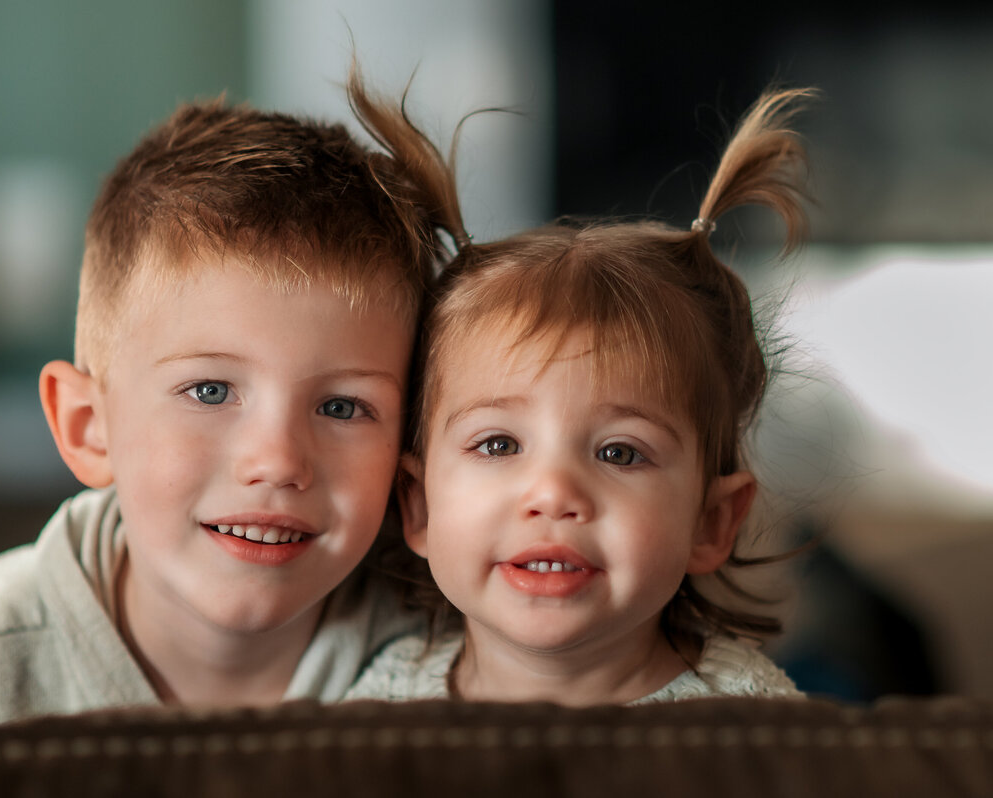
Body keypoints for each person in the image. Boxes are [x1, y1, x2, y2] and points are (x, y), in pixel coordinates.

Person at [0, 86, 443, 731]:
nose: (278, 461)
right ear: (88, 427)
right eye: (210, 391)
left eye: (343, 406)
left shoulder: (438, 647)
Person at [344, 85, 812, 704]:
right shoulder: (380, 706)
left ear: (710, 520)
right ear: (419, 506)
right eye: (499, 443)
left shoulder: (751, 731)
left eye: (620, 453)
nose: (554, 494)